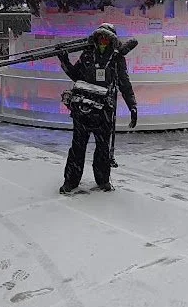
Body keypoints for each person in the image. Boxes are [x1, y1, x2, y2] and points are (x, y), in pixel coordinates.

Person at [56, 25, 137, 194]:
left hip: (104, 112)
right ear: (96, 38)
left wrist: (133, 107)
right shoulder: (87, 55)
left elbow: (124, 83)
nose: (103, 41)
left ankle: (102, 181)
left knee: (102, 149)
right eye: (100, 37)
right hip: (83, 110)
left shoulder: (116, 59)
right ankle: (71, 181)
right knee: (77, 148)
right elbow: (76, 75)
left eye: (106, 38)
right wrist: (64, 61)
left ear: (112, 40)